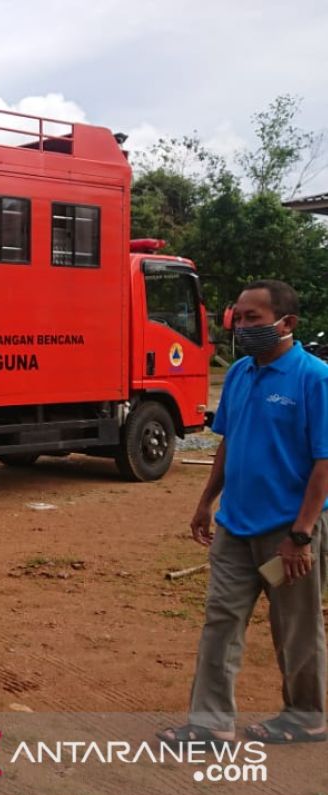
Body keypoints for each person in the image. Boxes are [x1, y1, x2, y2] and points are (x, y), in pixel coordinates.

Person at [159, 279, 328, 745]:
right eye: (238, 317)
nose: (241, 326)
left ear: (287, 323)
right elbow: (229, 443)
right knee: (221, 621)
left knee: (294, 627)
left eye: (253, 318)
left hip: (286, 533)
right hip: (236, 526)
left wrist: (301, 534)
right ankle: (210, 724)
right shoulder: (239, 373)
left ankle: (305, 716)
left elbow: (324, 463)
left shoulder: (314, 378)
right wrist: (205, 501)